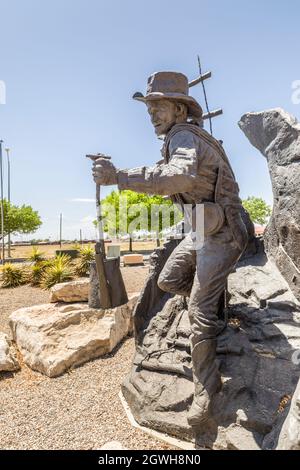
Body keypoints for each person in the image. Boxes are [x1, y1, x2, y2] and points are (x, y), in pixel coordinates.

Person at [92, 71, 248, 425]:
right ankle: (213, 307)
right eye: (149, 111)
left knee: (199, 311)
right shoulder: (180, 140)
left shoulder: (183, 137)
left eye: (158, 108)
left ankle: (206, 390)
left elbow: (175, 178)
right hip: (203, 230)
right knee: (168, 280)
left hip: (223, 232)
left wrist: (118, 176)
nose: (152, 116)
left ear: (179, 109)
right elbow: (165, 173)